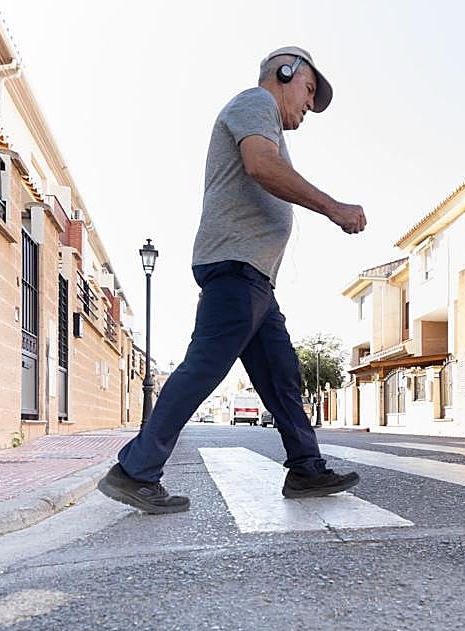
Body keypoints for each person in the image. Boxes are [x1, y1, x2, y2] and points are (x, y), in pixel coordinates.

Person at [99, 46, 367, 515]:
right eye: (307, 91)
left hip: (256, 278)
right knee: (204, 367)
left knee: (283, 376)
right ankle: (135, 471)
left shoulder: (265, 115)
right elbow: (261, 166)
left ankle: (306, 467)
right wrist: (333, 207)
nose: (308, 104)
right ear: (285, 74)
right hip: (235, 267)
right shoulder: (254, 103)